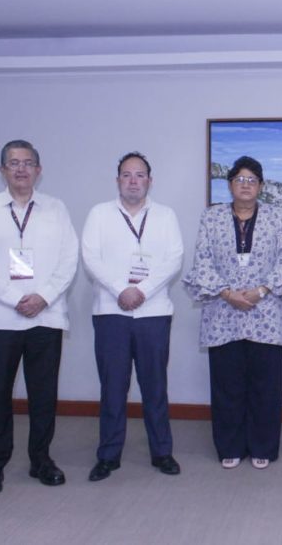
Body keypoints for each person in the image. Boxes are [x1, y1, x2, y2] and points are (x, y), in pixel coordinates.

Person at [0, 139, 78, 496]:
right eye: (13, 163)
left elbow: (69, 259)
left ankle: (41, 459)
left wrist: (43, 297)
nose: (21, 169)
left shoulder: (56, 209)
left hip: (46, 317)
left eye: (28, 163)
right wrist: (16, 299)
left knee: (43, 394)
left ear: (38, 170)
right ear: (2, 170)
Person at [182, 156, 282, 469]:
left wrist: (260, 291)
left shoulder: (277, 217)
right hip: (223, 312)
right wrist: (227, 293)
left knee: (266, 385)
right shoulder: (211, 217)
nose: (246, 185)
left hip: (266, 311)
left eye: (252, 180)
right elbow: (202, 260)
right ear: (230, 185)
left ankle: (263, 445)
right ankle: (230, 446)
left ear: (261, 186)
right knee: (227, 384)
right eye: (240, 179)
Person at [81, 152, 184, 481]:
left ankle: (162, 452)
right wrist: (120, 290)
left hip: (154, 312)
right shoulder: (99, 214)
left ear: (150, 181)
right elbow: (91, 258)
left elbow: (174, 258)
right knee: (113, 387)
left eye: (140, 175)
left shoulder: (165, 216)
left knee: (155, 386)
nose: (133, 181)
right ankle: (108, 455)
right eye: (127, 175)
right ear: (118, 181)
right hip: (111, 313)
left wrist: (143, 291)